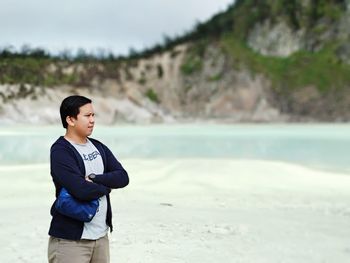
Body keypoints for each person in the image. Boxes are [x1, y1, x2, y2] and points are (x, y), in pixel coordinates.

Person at [47, 95, 129, 263]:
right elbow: (80, 189)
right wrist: (107, 186)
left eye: (93, 115)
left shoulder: (98, 146)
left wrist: (94, 178)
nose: (92, 120)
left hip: (101, 237)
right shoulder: (61, 151)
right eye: (87, 116)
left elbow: (123, 177)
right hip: (70, 241)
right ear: (70, 119)